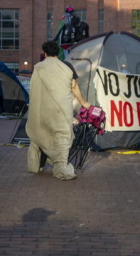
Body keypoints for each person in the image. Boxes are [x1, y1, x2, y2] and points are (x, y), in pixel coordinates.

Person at [26, 41, 92, 180]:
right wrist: (83, 102)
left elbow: (33, 88)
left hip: (41, 109)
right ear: (58, 53)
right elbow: (74, 86)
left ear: (45, 53)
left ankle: (35, 166)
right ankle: (61, 168)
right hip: (61, 110)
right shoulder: (66, 66)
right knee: (62, 137)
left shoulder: (39, 67)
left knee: (40, 135)